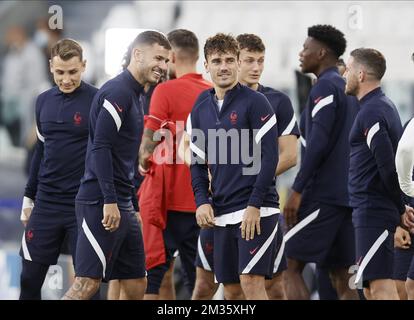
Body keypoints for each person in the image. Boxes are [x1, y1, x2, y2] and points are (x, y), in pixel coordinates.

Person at [62, 31, 171, 300]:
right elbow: (101, 147)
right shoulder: (118, 92)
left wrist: (130, 205)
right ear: (137, 54)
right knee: (86, 283)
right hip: (100, 201)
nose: (163, 65)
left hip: (123, 203)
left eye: (166, 60)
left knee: (136, 283)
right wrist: (110, 200)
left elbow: (123, 158)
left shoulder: (136, 94)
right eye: (158, 57)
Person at [189, 33, 279, 300]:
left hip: (257, 209)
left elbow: (270, 158)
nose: (224, 66)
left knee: (251, 283)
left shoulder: (256, 102)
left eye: (230, 60)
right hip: (220, 212)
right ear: (206, 65)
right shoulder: (200, 108)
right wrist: (201, 201)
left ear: (238, 63)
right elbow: (196, 162)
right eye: (217, 61)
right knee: (231, 290)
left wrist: (254, 205)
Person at [283, 25, 359, 300]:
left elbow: (319, 143)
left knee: (287, 267)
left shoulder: (326, 86)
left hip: (322, 197)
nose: (301, 53)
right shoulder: (348, 89)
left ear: (322, 52)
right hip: (347, 198)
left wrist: (298, 190)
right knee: (342, 277)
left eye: (306, 48)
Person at [19, 39, 98, 300]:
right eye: (60, 72)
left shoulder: (98, 100)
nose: (66, 79)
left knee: (88, 286)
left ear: (83, 66)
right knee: (29, 279)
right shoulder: (42, 101)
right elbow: (40, 153)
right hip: (46, 204)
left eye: (73, 72)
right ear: (51, 67)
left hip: (83, 205)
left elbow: (110, 154)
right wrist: (28, 199)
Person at [138, 29, 211, 300]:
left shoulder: (165, 91)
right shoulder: (213, 93)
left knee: (152, 278)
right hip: (202, 203)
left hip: (166, 202)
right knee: (198, 283)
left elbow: (149, 141)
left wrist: (143, 162)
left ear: (171, 56)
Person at [345, 48, 414, 299]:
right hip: (371, 210)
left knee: (380, 286)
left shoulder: (373, 111)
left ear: (361, 74)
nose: (345, 74)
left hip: (374, 210)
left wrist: (398, 209)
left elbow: (387, 165)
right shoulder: (377, 106)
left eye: (349, 69)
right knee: (370, 288)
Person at [237, 33, 299, 300]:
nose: (256, 67)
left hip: (263, 204)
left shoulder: (278, 101)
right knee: (225, 286)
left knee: (269, 285)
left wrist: (252, 181)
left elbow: (290, 155)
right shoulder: (211, 102)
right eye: (249, 60)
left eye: (261, 61)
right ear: (234, 61)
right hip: (222, 206)